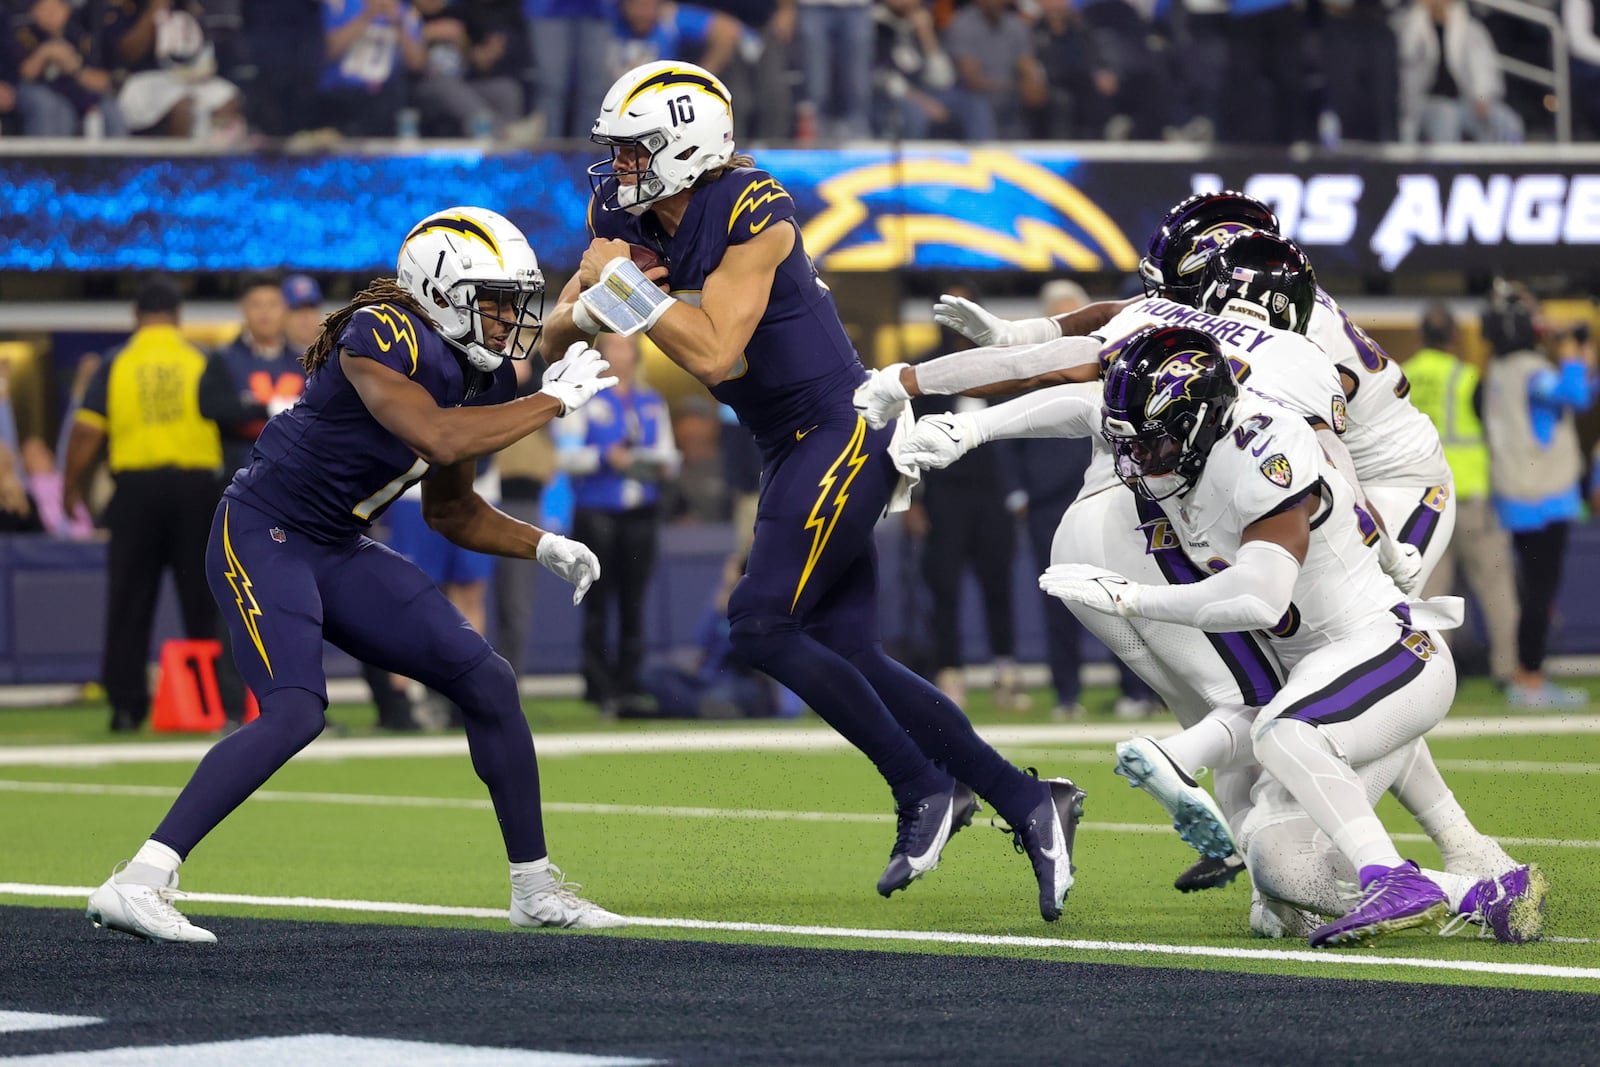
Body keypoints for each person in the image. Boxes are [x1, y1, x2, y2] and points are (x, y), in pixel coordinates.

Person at [540, 60, 1085, 922]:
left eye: (636, 151)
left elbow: (715, 353)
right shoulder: (624, 210)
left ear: (689, 144)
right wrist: (546, 328)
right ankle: (1026, 801)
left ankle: (922, 787)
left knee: (760, 623)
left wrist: (625, 288)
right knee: (847, 649)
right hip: (783, 443)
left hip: (840, 426)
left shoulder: (754, 206)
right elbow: (578, 302)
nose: (621, 171)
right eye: (616, 153)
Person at [868, 192, 1513, 900]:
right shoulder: (1209, 323)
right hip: (1298, 481)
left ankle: (1431, 850)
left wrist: (1383, 544)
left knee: (1336, 665)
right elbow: (1095, 344)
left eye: (1177, 279)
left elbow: (1334, 454)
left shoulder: (1292, 357)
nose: (1161, 296)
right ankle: (1325, 853)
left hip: (1388, 487)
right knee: (1289, 694)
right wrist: (995, 352)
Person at [85, 206, 625, 943]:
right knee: (296, 708)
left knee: (488, 680)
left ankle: (535, 887)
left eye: (513, 301)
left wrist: (541, 544)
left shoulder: (468, 368)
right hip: (262, 533)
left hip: (335, 544)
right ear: (438, 291)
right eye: (492, 299)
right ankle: (139, 878)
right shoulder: (381, 331)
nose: (507, 319)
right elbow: (433, 433)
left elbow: (454, 511)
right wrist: (550, 400)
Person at [63, 276, 222, 733]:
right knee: (203, 599)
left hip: (135, 492)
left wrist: (70, 487)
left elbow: (87, 431)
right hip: (196, 492)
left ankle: (125, 705)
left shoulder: (117, 362)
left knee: (129, 599)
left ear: (136, 316)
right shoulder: (201, 359)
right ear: (178, 316)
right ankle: (211, 698)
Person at [907, 286, 1028, 712]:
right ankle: (950, 673)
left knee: (999, 584)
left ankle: (1006, 673)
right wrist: (913, 497)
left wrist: (1017, 491)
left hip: (991, 492)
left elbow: (1019, 428)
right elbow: (908, 437)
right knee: (944, 587)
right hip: (944, 494)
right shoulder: (925, 367)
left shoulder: (999, 359)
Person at [553, 332, 679, 718]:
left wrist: (659, 462)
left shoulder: (652, 401)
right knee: (597, 603)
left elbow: (671, 457)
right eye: (613, 347)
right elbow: (567, 457)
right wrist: (606, 457)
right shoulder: (585, 399)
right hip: (597, 509)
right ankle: (597, 684)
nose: (620, 354)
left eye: (626, 347)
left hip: (641, 510)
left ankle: (628, 683)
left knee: (634, 602)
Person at [1482, 283, 1594, 708]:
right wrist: (1571, 356)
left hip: (1514, 494)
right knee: (1540, 591)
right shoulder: (1531, 367)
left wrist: (1575, 359)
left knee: (1532, 589)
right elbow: (1576, 396)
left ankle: (1528, 672)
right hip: (1543, 496)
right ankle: (1529, 677)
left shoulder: (1498, 370)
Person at [1406, 303, 1520, 687]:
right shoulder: (1467, 376)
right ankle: (1507, 671)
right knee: (1496, 587)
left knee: (1430, 596)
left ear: (1422, 335)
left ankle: (1430, 680)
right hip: (1469, 496)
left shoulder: (1402, 377)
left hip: (1423, 502)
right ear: (1454, 337)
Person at [1394, 0, 1523, 144]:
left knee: (1506, 120)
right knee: (1446, 116)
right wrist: (1418, 15)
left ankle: (1505, 165)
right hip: (1423, 103)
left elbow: (1482, 69)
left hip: (1464, 102)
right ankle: (1449, 167)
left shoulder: (1469, 28)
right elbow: (1405, 56)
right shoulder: (1406, 25)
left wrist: (1481, 98)